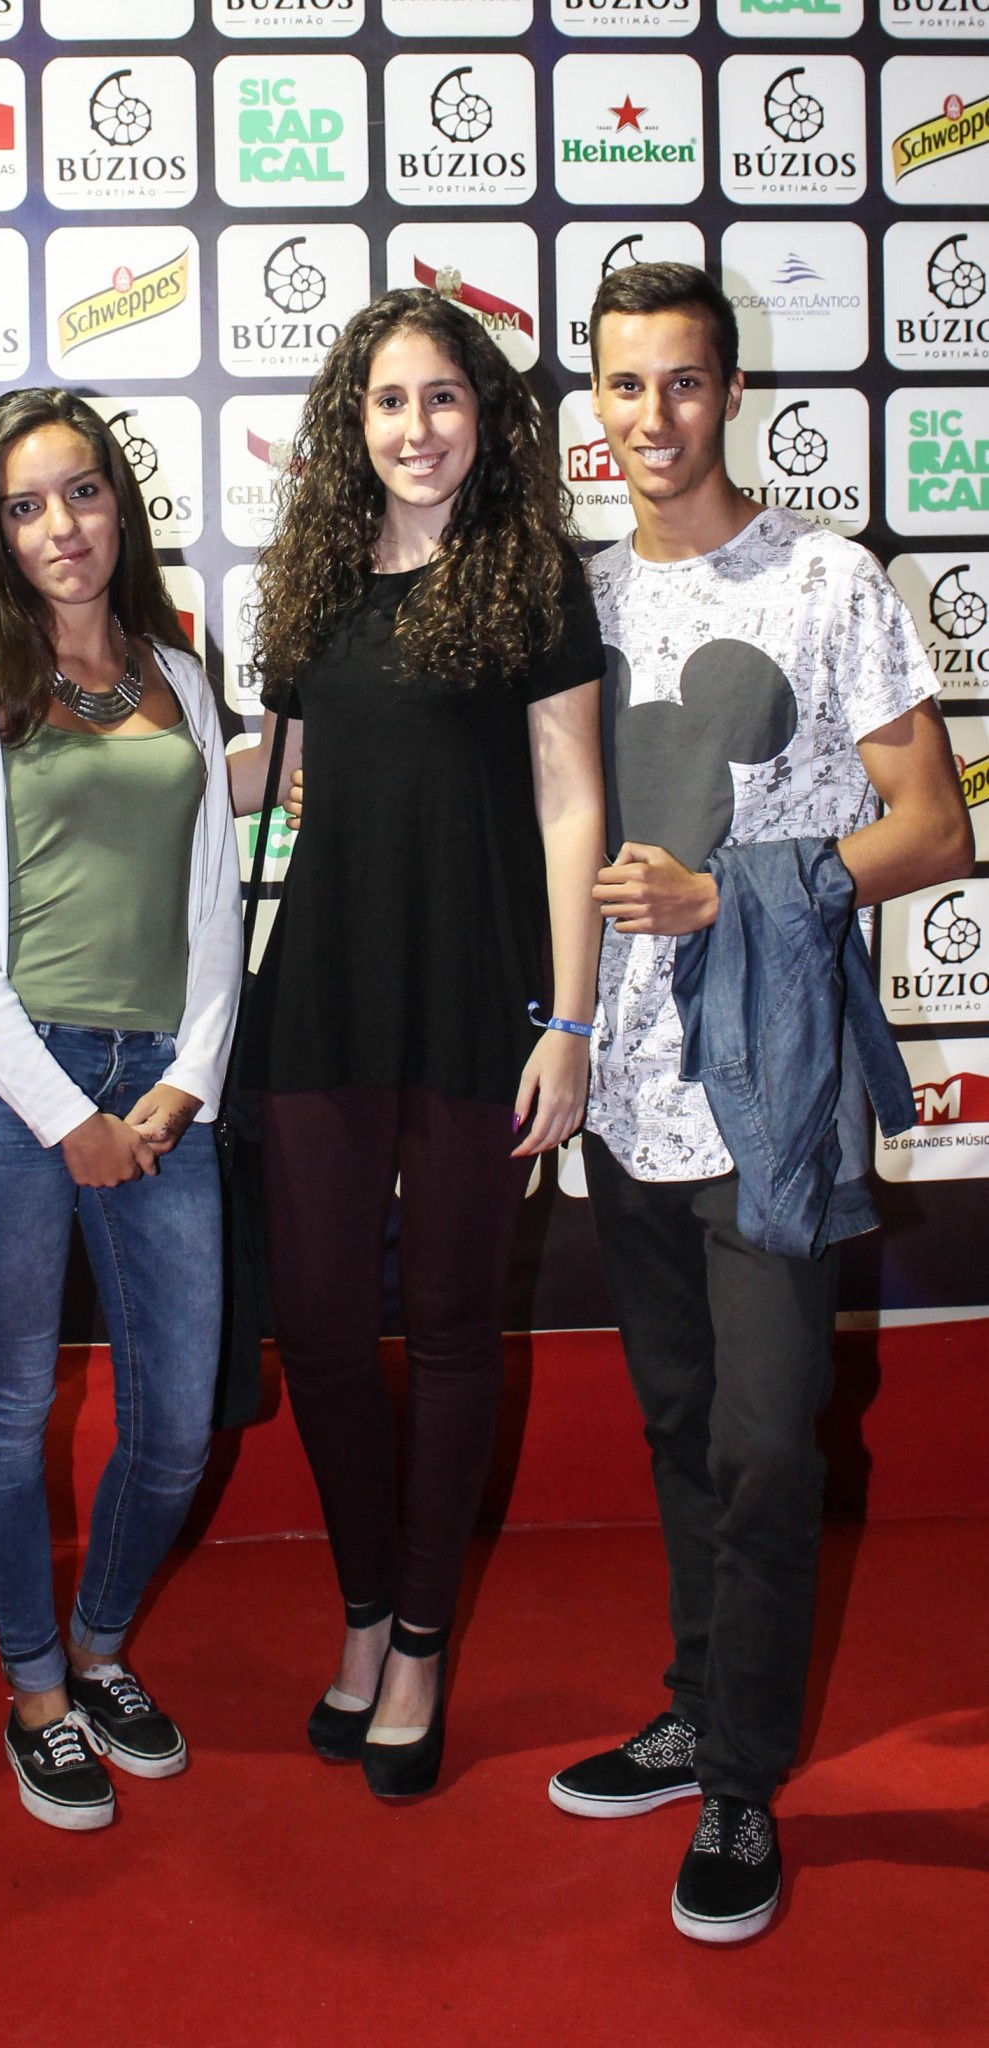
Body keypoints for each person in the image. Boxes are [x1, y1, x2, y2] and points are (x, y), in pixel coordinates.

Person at [547, 262, 973, 1943]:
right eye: (624, 385)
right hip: (618, 1085)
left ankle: (739, 1779)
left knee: (763, 1440)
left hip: (768, 1085)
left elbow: (931, 827)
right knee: (675, 1425)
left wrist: (734, 893)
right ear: (594, 403)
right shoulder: (574, 597)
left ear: (731, 393)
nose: (653, 416)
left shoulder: (824, 578)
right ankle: (695, 1706)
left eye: (683, 382)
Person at [237, 287, 607, 1799]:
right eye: (389, 401)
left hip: (475, 994)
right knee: (322, 1330)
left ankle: (422, 1642)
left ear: (484, 416)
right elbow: (281, 773)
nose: (416, 428)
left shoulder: (532, 575)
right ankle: (364, 1605)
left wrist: (569, 1019)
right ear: (353, 421)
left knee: (451, 1328)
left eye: (443, 397)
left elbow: (572, 800)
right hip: (322, 992)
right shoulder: (314, 580)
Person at [0, 388, 240, 1834]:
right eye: (26, 505)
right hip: (4, 1090)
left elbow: (216, 901)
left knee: (177, 1421)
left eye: (83, 492)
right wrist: (65, 1116)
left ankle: (100, 1647)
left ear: (121, 503)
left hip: (161, 1086)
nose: (62, 527)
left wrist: (187, 1077)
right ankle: (36, 1690)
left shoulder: (179, 673)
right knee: (10, 1406)